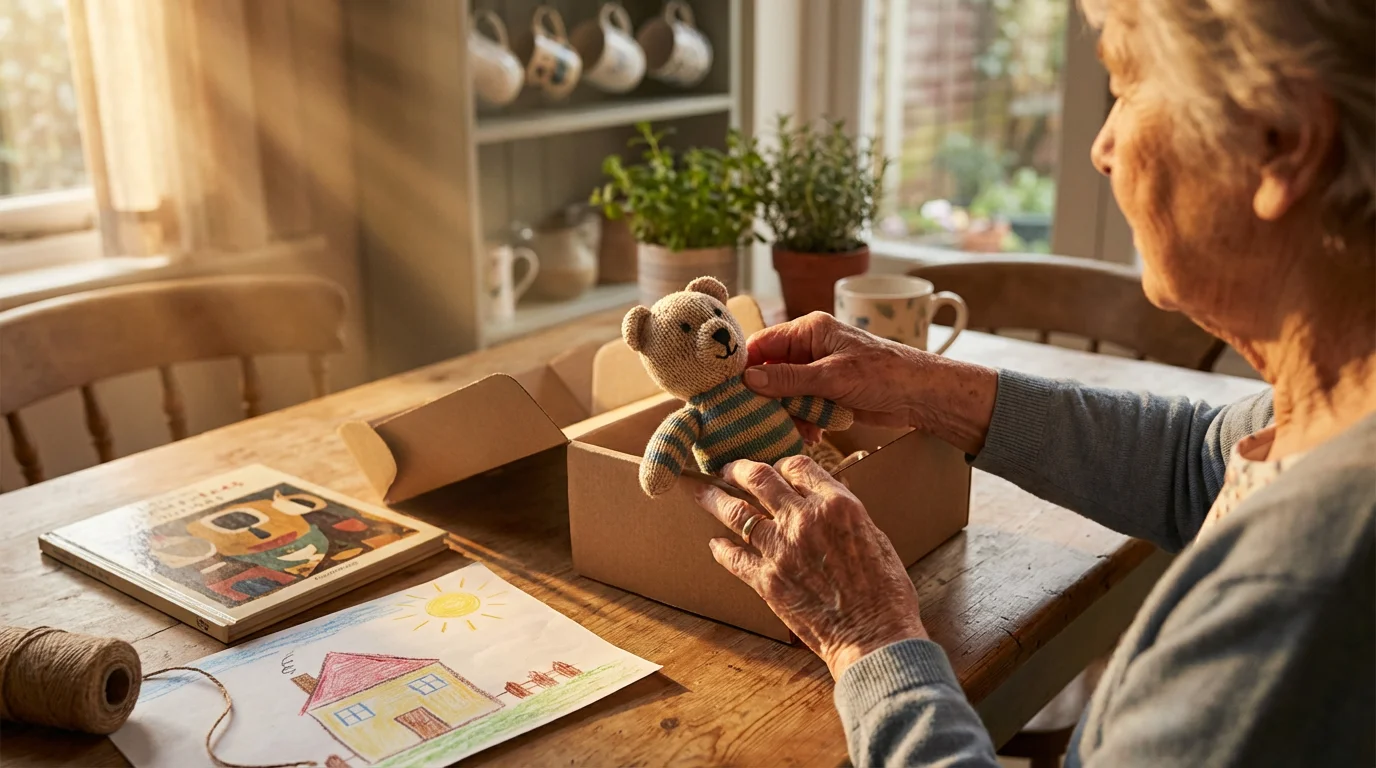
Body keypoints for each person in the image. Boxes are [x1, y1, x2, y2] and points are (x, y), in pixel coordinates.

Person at [692, 0, 1375, 764]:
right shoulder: (1340, 414)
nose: (1102, 146)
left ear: (1283, 141)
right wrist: (919, 383)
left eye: (1129, 80)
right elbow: (1202, 463)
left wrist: (868, 638)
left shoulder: (1308, 586)